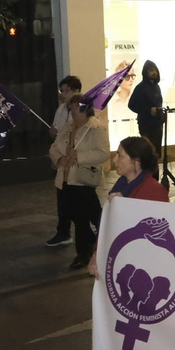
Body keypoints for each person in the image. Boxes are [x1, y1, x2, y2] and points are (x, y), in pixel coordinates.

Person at [91, 137, 174, 350]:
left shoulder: (154, 190)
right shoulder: (120, 187)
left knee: (144, 331)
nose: (115, 160)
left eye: (120, 156)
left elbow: (156, 234)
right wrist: (96, 255)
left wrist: (126, 209)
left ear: (135, 162)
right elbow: (108, 227)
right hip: (125, 270)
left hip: (147, 276)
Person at [48, 97, 111, 270]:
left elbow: (103, 153)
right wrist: (59, 158)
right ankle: (98, 238)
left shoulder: (96, 128)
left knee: (82, 218)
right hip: (65, 178)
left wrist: (80, 156)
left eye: (77, 107)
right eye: (71, 107)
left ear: (85, 108)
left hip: (83, 180)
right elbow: (54, 147)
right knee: (75, 213)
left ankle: (83, 253)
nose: (74, 110)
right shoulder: (67, 127)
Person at [45, 76, 82, 248]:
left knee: (82, 200)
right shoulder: (61, 109)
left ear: (76, 91)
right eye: (62, 91)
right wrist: (53, 131)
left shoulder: (84, 109)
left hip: (76, 162)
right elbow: (57, 132)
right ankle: (63, 231)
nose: (63, 94)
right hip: (63, 160)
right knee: (63, 197)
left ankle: (96, 227)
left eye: (67, 90)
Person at [126, 60, 164, 158]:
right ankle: (148, 173)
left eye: (155, 70)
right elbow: (131, 105)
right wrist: (148, 110)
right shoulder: (140, 88)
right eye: (151, 70)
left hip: (157, 125)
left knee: (156, 153)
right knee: (148, 153)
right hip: (146, 125)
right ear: (145, 72)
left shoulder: (157, 87)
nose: (154, 72)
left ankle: (155, 173)